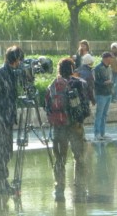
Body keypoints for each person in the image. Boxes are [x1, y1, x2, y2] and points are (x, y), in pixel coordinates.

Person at [45, 57, 91, 201]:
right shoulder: (80, 84)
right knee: (79, 158)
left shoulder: (52, 86)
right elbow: (86, 109)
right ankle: (80, 190)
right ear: (72, 69)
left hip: (59, 127)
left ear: (59, 69)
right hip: (75, 127)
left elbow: (47, 108)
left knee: (59, 160)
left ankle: (59, 190)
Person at [0, 45, 24, 195]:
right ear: (17, 60)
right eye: (20, 60)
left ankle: (1, 182)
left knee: (6, 151)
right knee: (0, 152)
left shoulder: (12, 73)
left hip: (6, 118)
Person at [93, 52, 113, 141]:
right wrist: (104, 83)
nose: (111, 60)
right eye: (110, 58)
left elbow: (111, 79)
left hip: (108, 94)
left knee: (105, 114)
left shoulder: (109, 68)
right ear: (106, 58)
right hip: (101, 94)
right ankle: (97, 133)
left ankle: (102, 133)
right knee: (99, 114)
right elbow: (95, 82)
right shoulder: (97, 68)